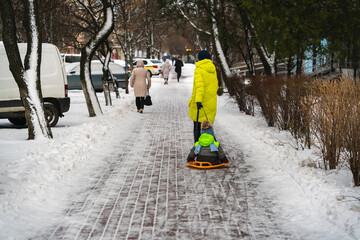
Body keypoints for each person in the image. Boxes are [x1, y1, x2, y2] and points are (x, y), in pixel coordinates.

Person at [188, 50, 218, 143]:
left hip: (201, 104)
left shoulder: (199, 70)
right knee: (208, 130)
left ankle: (198, 150)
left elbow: (199, 87)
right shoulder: (212, 69)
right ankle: (213, 151)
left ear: (199, 58)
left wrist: (198, 101)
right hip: (211, 103)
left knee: (197, 130)